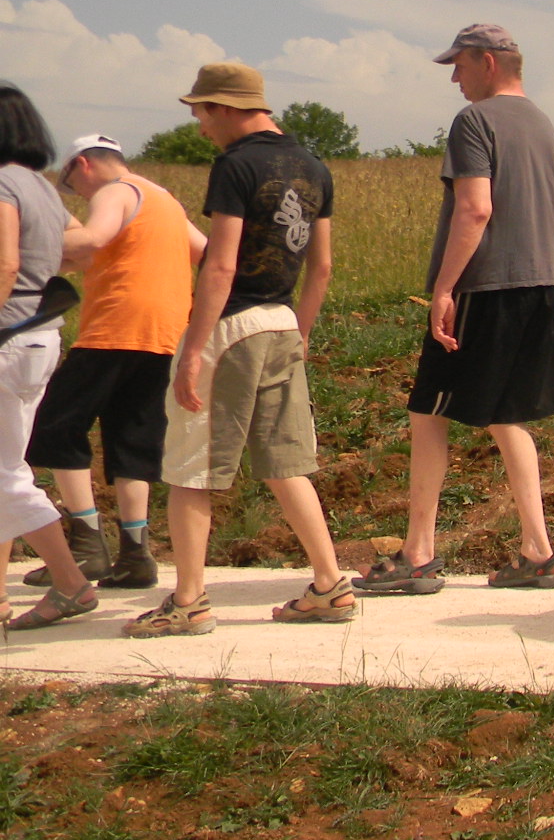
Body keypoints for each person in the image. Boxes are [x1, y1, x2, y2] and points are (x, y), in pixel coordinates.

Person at [124, 63, 354, 636]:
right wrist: (299, 331)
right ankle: (330, 585)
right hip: (280, 322)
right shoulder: (313, 165)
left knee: (190, 470)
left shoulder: (236, 165)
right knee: (285, 463)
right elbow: (320, 267)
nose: (200, 125)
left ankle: (189, 601)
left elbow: (221, 263)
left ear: (226, 107)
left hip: (232, 327)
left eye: (202, 112)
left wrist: (195, 348)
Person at [356, 23, 554, 596]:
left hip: (487, 288)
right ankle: (538, 552)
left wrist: (445, 289)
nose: (454, 77)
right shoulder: (545, 127)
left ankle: (418, 555)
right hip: (541, 284)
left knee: (428, 410)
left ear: (488, 62)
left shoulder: (474, 122)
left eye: (460, 65)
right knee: (505, 415)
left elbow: (475, 210)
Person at [22, 136, 203, 591]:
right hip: (164, 334)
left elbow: (94, 236)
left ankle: (86, 544)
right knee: (132, 438)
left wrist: (29, 250)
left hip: (115, 327)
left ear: (83, 164)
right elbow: (205, 252)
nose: (80, 197)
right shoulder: (165, 201)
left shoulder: (115, 191)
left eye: (74, 186)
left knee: (54, 427)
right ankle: (135, 553)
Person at [0, 86, 103, 631]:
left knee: (5, 474)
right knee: (6, 467)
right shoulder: (39, 187)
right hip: (40, 337)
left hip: (6, 339)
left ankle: (70, 583)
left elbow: (3, 260)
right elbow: (85, 247)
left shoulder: (0, 183)